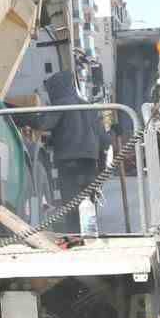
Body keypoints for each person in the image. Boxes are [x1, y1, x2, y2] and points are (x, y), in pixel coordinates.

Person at [30, 69, 106, 235]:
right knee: (88, 202)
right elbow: (103, 139)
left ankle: (75, 237)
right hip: (90, 162)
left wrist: (19, 116)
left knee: (71, 204)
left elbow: (43, 124)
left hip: (69, 161)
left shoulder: (61, 104)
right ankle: (90, 236)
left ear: (56, 88)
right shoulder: (88, 106)